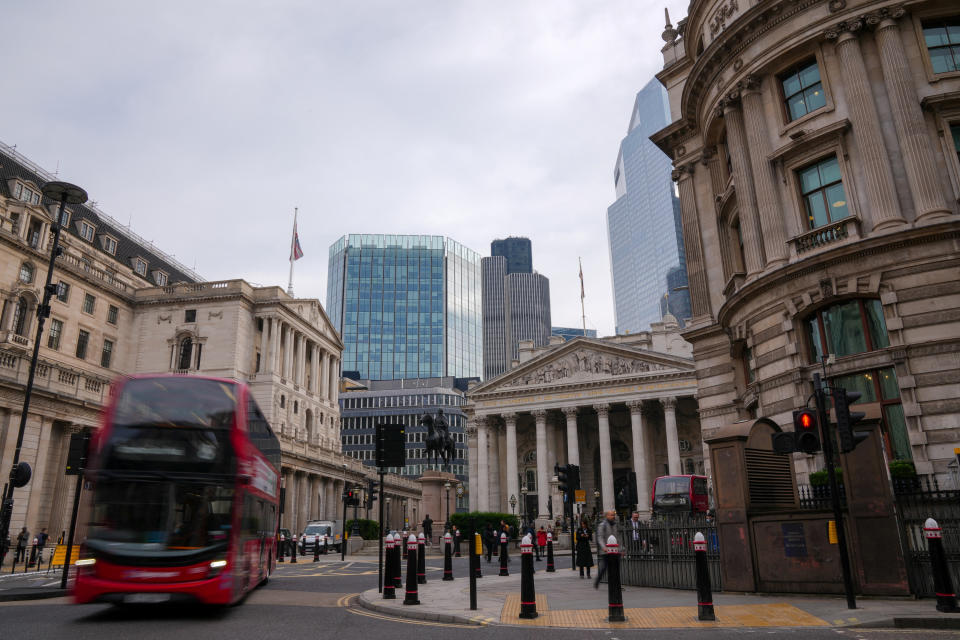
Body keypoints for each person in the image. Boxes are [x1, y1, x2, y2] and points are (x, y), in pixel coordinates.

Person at [594, 509, 617, 589]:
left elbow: (618, 537)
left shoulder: (615, 524)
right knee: (604, 567)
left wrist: (622, 548)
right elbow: (600, 537)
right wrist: (604, 547)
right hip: (606, 551)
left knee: (615, 568)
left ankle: (614, 584)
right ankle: (598, 580)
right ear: (607, 516)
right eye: (611, 515)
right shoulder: (602, 525)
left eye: (613, 515)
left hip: (615, 550)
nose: (613, 516)